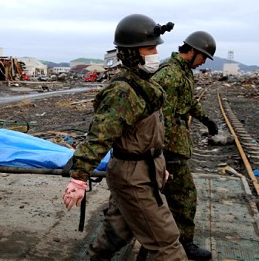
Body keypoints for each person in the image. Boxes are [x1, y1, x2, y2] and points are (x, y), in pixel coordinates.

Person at [62, 14, 187, 260]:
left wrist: (157, 160)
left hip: (143, 169)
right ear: (131, 53)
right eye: (149, 48)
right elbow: (98, 136)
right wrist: (79, 178)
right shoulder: (123, 91)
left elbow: (148, 132)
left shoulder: (143, 83)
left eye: (155, 48)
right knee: (166, 242)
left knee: (118, 228)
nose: (155, 54)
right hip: (135, 175)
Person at [144, 31, 218, 260]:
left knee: (162, 197)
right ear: (192, 51)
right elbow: (157, 117)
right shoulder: (169, 74)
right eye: (203, 56)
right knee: (184, 196)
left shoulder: (183, 73)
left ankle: (158, 241)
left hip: (176, 145)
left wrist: (206, 119)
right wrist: (159, 153)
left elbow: (189, 103)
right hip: (169, 148)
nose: (204, 61)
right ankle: (183, 243)